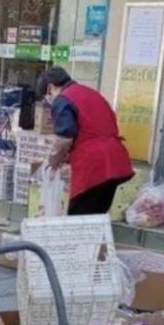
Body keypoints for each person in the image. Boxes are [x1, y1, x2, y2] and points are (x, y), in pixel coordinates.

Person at [39, 67, 134, 215]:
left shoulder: (63, 99)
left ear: (50, 88)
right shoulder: (91, 93)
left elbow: (64, 138)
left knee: (79, 219)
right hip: (115, 160)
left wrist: (53, 162)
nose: (48, 101)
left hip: (93, 164)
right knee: (97, 216)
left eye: (46, 96)